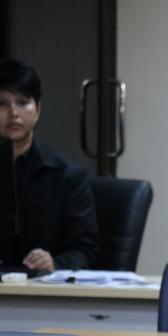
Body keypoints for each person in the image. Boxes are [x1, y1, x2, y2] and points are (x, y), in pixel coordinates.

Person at [0, 58, 99, 272]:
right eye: (2, 104)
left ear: (38, 110)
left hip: (42, 286)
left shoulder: (67, 176)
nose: (13, 113)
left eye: (23, 102)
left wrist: (55, 263)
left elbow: (86, 250)